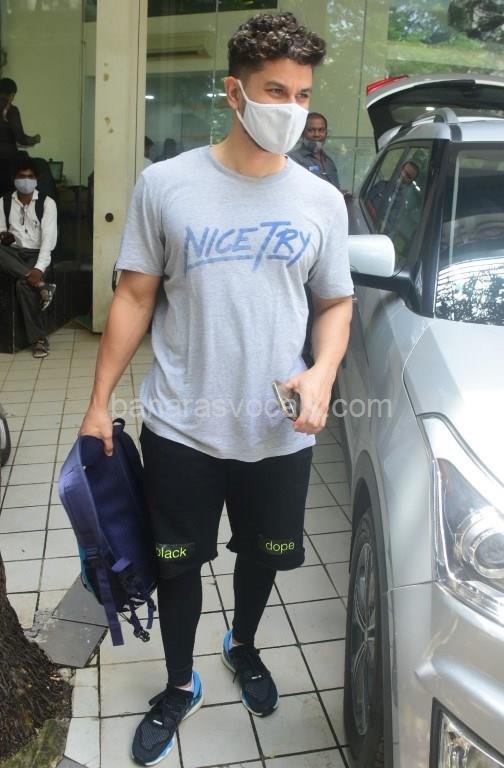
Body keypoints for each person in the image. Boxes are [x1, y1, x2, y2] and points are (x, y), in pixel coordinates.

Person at [79, 11, 353, 766]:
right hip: (182, 426)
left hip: (276, 430)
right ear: (234, 92)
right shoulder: (167, 185)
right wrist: (99, 403)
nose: (291, 109)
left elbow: (336, 302)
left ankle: (244, 645)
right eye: (275, 91)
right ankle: (179, 683)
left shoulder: (321, 200)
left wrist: (323, 370)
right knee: (177, 565)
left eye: (302, 94)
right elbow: (134, 295)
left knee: (263, 556)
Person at [0, 156, 57, 358]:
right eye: (21, 176)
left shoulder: (47, 203)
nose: (26, 180)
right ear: (14, 179)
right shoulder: (4, 202)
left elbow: (48, 242)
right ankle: (42, 286)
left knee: (23, 286)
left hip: (36, 254)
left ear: (36, 179)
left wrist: (39, 269)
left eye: (30, 176)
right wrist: (4, 236)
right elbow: (1, 230)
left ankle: (39, 340)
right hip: (13, 253)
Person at [0, 78, 41, 198]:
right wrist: (35, 139)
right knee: (6, 199)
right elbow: (20, 138)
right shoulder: (11, 110)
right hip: (6, 163)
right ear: (12, 94)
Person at [289, 112, 340, 188]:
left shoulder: (329, 161)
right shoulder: (292, 160)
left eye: (321, 130)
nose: (317, 134)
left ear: (326, 133)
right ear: (302, 133)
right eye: (311, 130)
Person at [367, 160, 419, 228]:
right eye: (404, 171)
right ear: (400, 169)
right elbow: (366, 198)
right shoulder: (382, 184)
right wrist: (372, 211)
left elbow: (387, 227)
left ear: (410, 182)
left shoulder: (400, 203)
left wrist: (374, 215)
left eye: (408, 176)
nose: (403, 176)